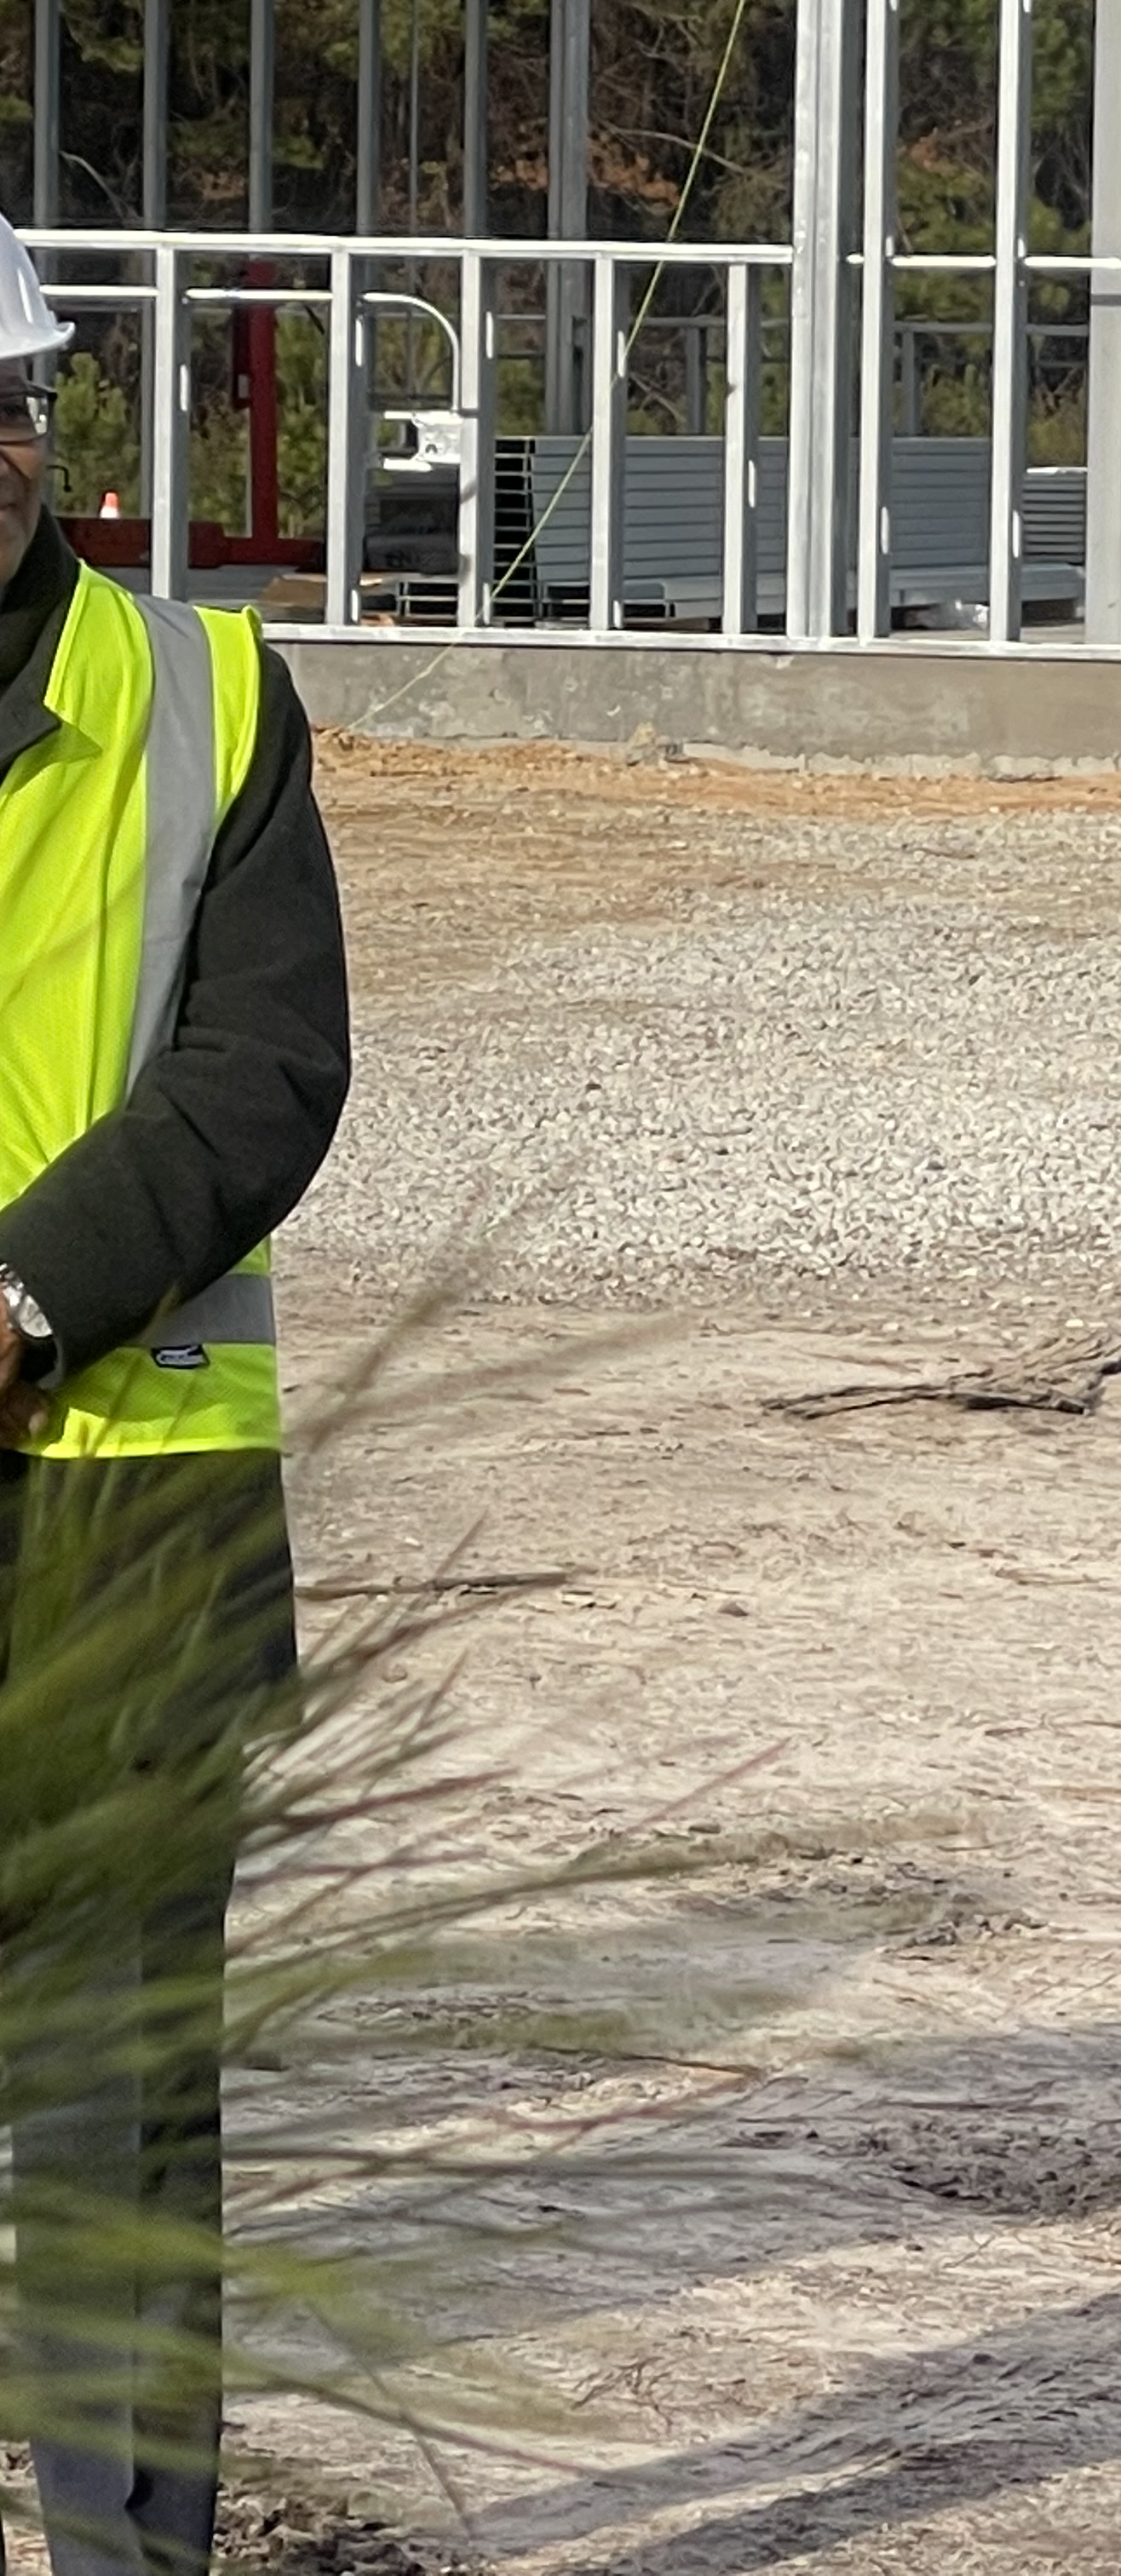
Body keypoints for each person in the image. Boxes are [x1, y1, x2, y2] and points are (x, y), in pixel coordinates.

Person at [0, 214, 353, 2574]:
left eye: (5, 410)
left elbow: (262, 1076)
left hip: (122, 1507)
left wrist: (24, 1296)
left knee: (116, 2113)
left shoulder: (208, 693)